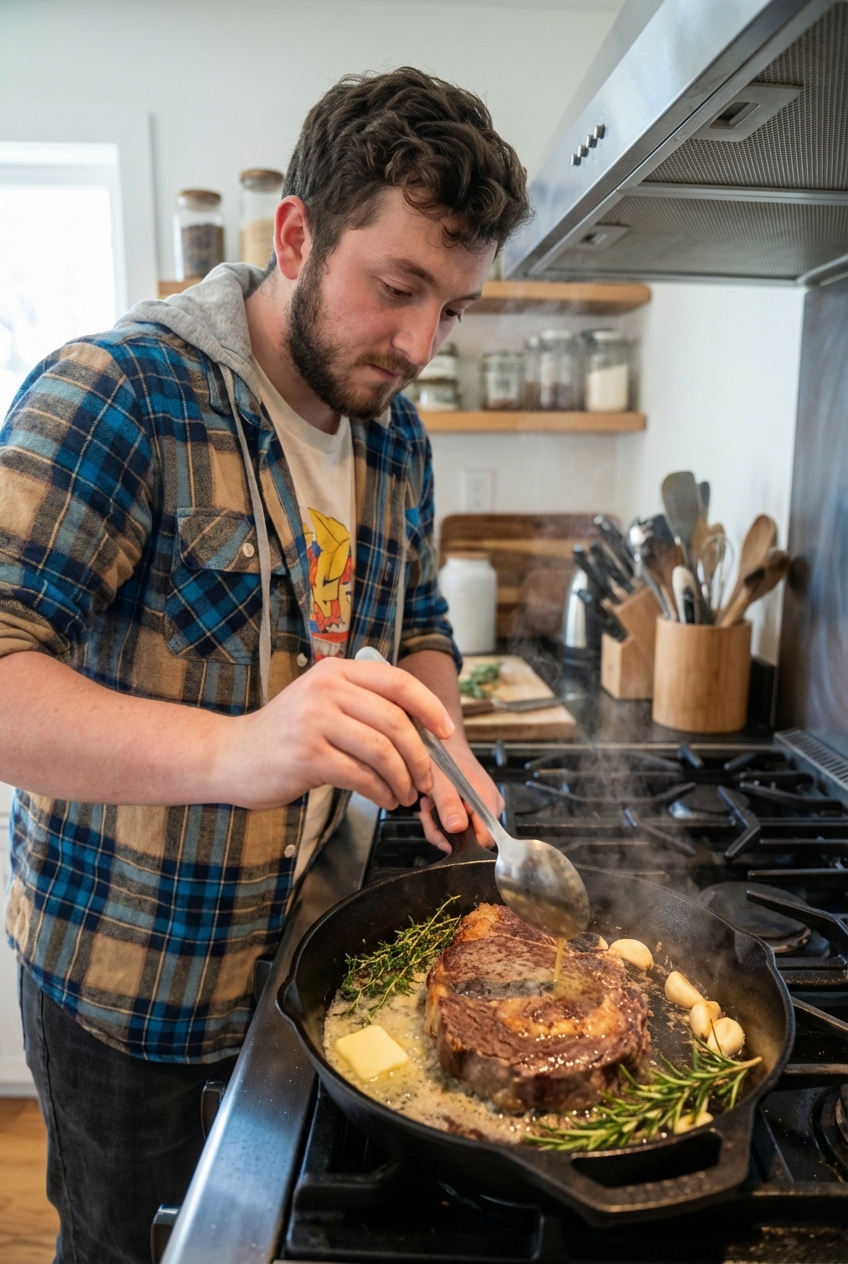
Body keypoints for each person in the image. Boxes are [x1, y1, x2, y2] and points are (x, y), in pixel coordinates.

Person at [0, 67, 530, 1262]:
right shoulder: (118, 394)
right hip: (135, 996)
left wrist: (442, 742)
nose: (418, 344)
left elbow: (421, 619)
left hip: (313, 971)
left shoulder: (392, 429)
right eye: (396, 287)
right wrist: (242, 749)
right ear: (294, 234)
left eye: (451, 308)